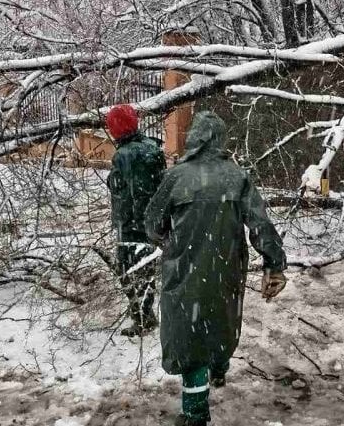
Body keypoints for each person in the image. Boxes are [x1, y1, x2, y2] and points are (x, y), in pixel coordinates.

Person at [144, 111, 288, 426]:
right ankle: (218, 369)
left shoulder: (176, 177)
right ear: (221, 140)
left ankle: (195, 414)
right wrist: (274, 263)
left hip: (185, 272)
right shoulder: (236, 176)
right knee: (220, 323)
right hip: (227, 270)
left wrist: (170, 242)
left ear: (194, 139)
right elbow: (261, 224)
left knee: (190, 337)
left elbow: (152, 224)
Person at [106, 104, 167, 337]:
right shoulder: (151, 146)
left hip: (132, 224)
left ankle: (142, 318)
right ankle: (143, 314)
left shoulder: (125, 154)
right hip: (148, 222)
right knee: (145, 270)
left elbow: (136, 192)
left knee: (129, 270)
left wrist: (136, 223)